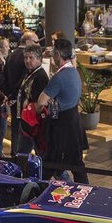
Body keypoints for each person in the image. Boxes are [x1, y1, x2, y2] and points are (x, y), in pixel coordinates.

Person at [36, 38, 88, 182]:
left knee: (51, 164)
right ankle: (85, 193)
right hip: (74, 123)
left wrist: (37, 109)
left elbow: (41, 101)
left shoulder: (59, 77)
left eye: (54, 53)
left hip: (62, 127)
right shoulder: (74, 72)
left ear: (58, 54)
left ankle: (35, 193)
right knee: (76, 164)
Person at [3, 31, 39, 156]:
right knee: (23, 130)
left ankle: (15, 154)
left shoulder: (11, 55)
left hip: (12, 98)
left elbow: (4, 77)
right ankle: (20, 157)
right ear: (28, 41)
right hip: (22, 101)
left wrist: (9, 95)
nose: (38, 45)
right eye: (36, 42)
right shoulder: (27, 58)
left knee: (14, 128)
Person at [17, 44, 49, 155]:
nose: (27, 60)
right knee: (22, 152)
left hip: (34, 123)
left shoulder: (40, 77)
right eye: (26, 57)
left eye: (31, 57)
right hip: (27, 121)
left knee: (38, 152)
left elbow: (40, 103)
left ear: (39, 59)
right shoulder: (30, 73)